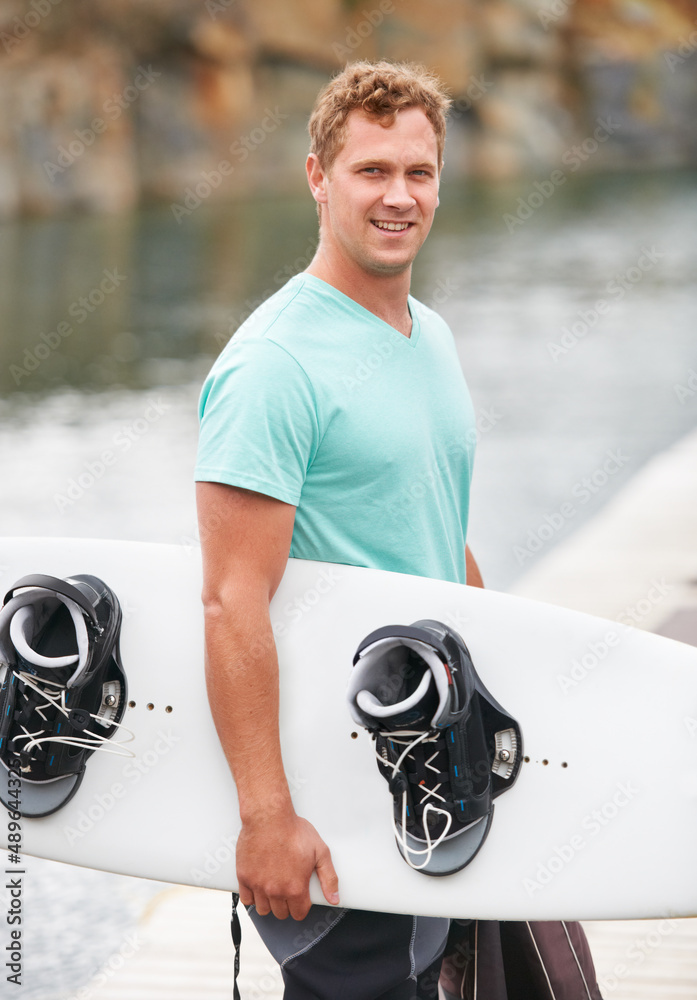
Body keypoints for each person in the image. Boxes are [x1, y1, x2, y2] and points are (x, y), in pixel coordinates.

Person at [195, 60, 602, 1000]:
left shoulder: (431, 334)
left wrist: (505, 699)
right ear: (316, 177)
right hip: (330, 782)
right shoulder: (273, 366)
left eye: (417, 172)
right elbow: (228, 600)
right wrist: (265, 817)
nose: (398, 196)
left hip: (434, 758)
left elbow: (438, 537)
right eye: (371, 171)